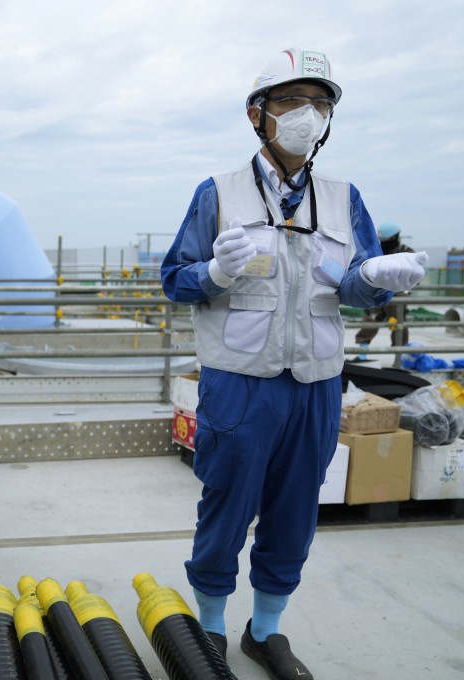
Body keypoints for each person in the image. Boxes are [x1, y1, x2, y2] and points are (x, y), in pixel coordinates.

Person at [161, 48, 428, 679]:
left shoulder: (344, 198)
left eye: (320, 102)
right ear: (257, 114)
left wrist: (380, 280)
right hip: (239, 382)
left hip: (315, 384)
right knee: (226, 507)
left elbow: (353, 284)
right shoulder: (217, 192)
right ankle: (210, 627)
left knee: (294, 510)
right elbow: (176, 279)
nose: (306, 114)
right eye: (289, 100)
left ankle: (267, 630)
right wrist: (214, 272)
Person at [354, 221, 415, 347]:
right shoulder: (377, 252)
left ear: (395, 238)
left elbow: (415, 274)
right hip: (377, 291)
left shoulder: (406, 253)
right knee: (370, 320)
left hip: (397, 295)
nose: (384, 244)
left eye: (387, 241)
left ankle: (399, 356)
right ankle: (362, 353)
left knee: (398, 324)